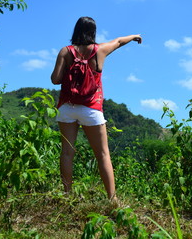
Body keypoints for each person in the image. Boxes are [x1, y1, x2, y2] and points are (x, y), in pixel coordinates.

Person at [51, 16, 142, 200]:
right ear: (93, 32)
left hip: (67, 108)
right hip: (91, 108)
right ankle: (112, 199)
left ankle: (66, 195)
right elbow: (117, 42)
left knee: (67, 153)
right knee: (102, 154)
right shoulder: (99, 50)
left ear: (76, 30)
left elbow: (55, 79)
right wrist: (133, 36)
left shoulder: (65, 51)